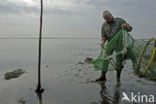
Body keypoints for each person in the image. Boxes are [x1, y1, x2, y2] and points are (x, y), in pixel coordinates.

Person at [95, 10, 133, 85]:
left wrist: (126, 26)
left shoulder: (119, 21)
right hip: (110, 43)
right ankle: (103, 76)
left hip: (120, 44)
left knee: (119, 60)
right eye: (105, 19)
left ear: (111, 15)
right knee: (105, 59)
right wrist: (102, 43)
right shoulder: (104, 25)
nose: (106, 20)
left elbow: (130, 29)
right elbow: (104, 37)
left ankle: (118, 79)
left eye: (107, 18)